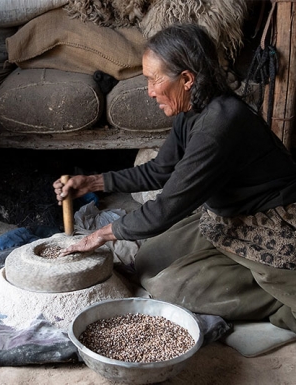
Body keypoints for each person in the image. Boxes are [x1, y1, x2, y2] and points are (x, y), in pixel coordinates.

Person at [53, 23, 296, 333]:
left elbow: (167, 207)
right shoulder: (193, 111)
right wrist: (91, 182)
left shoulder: (220, 124)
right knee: (146, 261)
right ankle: (234, 269)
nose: (150, 91)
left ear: (186, 79)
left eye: (154, 80)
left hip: (272, 225)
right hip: (227, 218)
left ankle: (274, 293)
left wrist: (99, 235)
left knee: (168, 287)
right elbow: (159, 170)